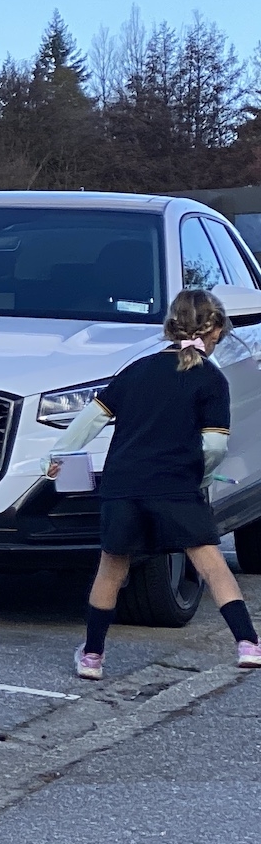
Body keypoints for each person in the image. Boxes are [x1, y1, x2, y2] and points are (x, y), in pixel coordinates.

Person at [49, 287, 261, 678]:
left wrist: (59, 457)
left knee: (112, 568)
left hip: (124, 484)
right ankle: (247, 644)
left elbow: (91, 419)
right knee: (213, 566)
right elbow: (214, 444)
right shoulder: (211, 380)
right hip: (176, 486)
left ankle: (93, 656)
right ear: (213, 331)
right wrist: (200, 471)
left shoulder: (136, 370)